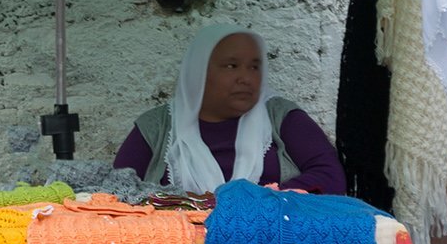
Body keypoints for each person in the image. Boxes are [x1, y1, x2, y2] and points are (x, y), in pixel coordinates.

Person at [113, 25, 347, 195]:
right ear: (198, 71)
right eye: (231, 66)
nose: (246, 78)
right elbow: (117, 188)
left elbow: (330, 176)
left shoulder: (282, 118)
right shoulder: (157, 127)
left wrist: (259, 200)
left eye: (255, 67)